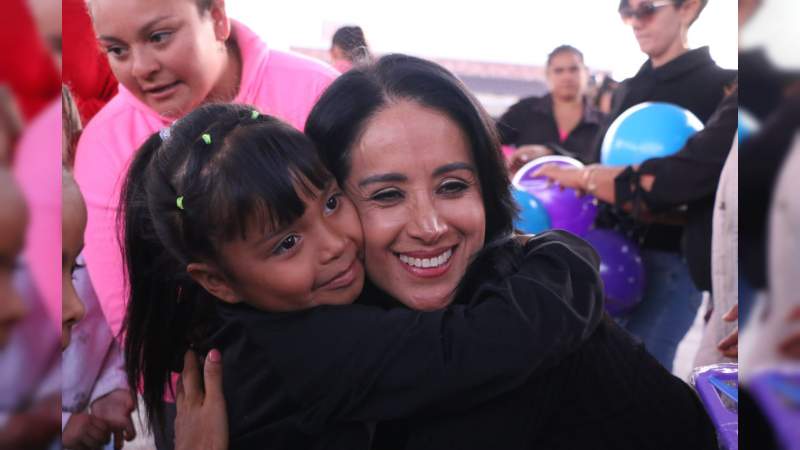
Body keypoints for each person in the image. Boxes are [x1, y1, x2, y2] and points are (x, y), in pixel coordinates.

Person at [122, 102, 603, 449]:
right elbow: (495, 342)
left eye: (332, 203)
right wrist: (566, 256)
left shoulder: (240, 326)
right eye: (286, 243)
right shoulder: (307, 348)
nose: (334, 244)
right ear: (216, 281)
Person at [74, 0, 338, 444]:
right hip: (202, 397)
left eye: (159, 37)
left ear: (216, 16)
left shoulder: (317, 93)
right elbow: (137, 317)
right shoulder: (105, 147)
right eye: (116, 50)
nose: (141, 68)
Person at [568, 0, 735, 371]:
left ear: (688, 8)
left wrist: (596, 180)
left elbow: (698, 179)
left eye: (645, 9)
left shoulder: (724, 86)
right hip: (612, 254)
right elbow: (597, 161)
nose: (634, 21)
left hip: (673, 259)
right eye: (626, 11)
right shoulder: (628, 88)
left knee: (642, 380)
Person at [500, 45, 604, 171]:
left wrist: (550, 153)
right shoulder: (524, 110)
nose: (567, 77)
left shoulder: (603, 123)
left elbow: (602, 168)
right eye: (559, 70)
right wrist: (506, 162)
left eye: (574, 69)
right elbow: (489, 139)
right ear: (548, 74)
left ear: (586, 72)